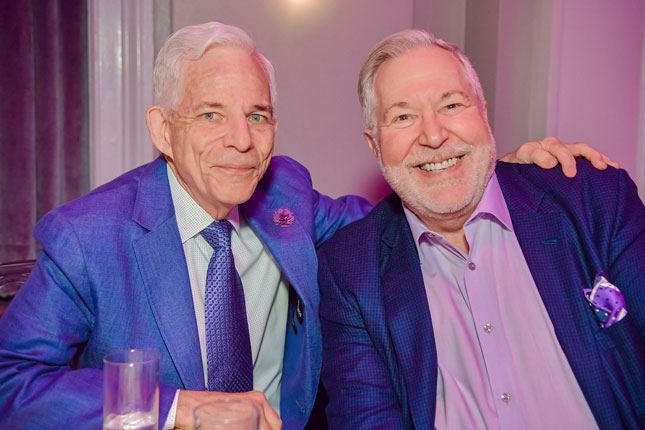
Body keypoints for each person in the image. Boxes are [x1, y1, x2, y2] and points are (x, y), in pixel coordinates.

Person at [0, 22, 614, 430]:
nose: (242, 141)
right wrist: (177, 411)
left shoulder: (284, 195)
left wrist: (483, 167)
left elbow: (391, 219)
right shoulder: (87, 237)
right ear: (163, 130)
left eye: (258, 115)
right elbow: (11, 383)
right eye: (212, 114)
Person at [317, 29, 645, 430]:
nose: (434, 135)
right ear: (375, 144)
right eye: (403, 117)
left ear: (482, 113)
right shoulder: (350, 271)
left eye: (452, 105)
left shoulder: (591, 198)